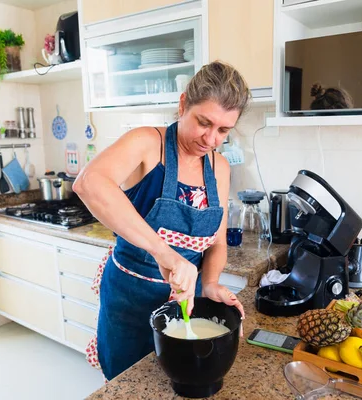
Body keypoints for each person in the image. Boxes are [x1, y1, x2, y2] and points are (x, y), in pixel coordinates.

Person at [73, 61, 249, 380]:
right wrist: (163, 252)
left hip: (185, 305)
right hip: (130, 302)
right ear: (183, 105)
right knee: (130, 385)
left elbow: (218, 242)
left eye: (223, 130)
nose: (211, 139)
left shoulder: (220, 168)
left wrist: (209, 283)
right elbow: (88, 183)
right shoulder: (147, 144)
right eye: (203, 122)